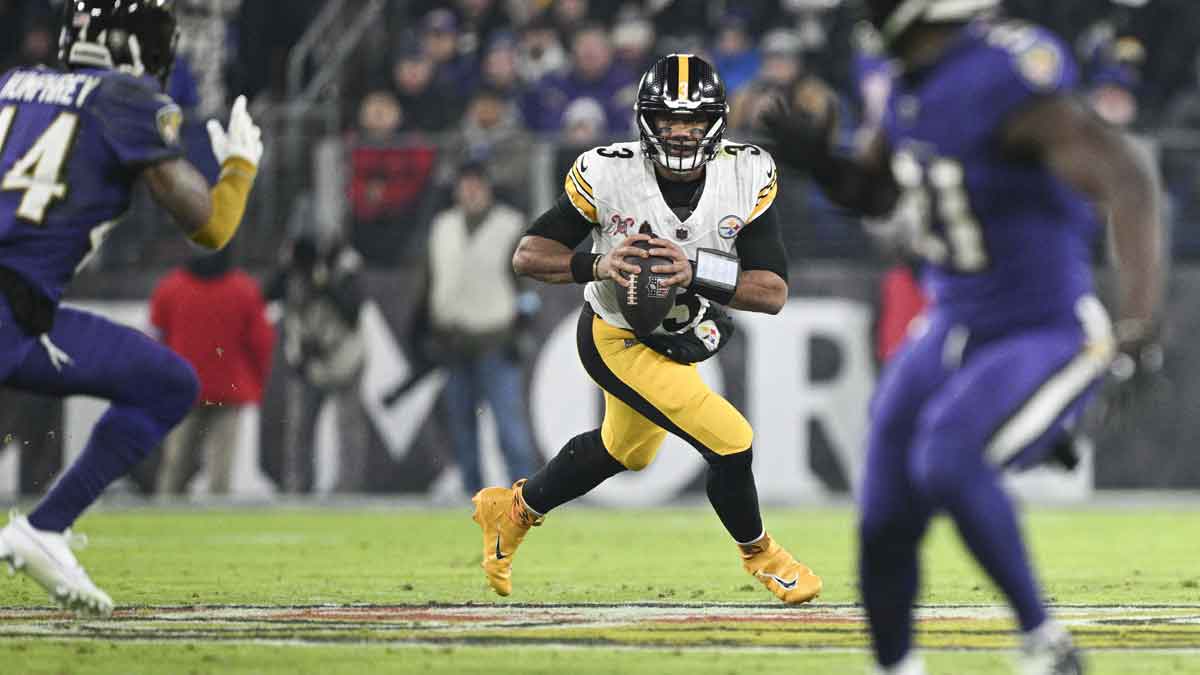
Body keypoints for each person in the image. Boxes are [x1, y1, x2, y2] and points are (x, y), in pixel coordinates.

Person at [762, 2, 1165, 673]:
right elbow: (879, 189)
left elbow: (1128, 175)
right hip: (953, 320)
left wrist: (1140, 325)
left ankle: (1047, 645)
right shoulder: (909, 79)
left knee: (948, 454)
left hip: (1043, 323)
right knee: (885, 504)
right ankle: (895, 666)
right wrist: (824, 166)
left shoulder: (997, 75)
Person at [472, 54, 821, 606]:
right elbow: (528, 254)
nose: (681, 134)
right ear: (644, 122)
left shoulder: (747, 172)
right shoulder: (611, 173)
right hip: (615, 335)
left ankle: (511, 510)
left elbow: (772, 290)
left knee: (624, 451)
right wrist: (599, 263)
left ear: (717, 124)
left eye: (693, 122)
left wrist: (695, 270)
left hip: (675, 334)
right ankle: (764, 556)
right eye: (668, 122)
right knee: (731, 441)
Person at [0, 0, 262, 616]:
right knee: (168, 384)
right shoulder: (121, 98)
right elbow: (211, 227)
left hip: (18, 311)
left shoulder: (11, 83)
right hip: (11, 313)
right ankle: (45, 526)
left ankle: (44, 530)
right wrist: (242, 169)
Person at [426, 163, 538, 496]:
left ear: (488, 188)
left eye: (476, 184)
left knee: (509, 425)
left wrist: (522, 329)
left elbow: (527, 285)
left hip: (496, 338)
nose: (471, 191)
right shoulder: (442, 225)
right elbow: (431, 278)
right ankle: (472, 497)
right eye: (465, 185)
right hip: (452, 339)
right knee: (461, 428)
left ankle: (526, 497)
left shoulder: (510, 224)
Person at [150, 249, 275, 496]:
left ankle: (162, 523)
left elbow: (154, 341)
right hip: (228, 391)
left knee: (175, 465)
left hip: (184, 390)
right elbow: (261, 343)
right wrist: (255, 384)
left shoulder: (170, 288)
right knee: (220, 474)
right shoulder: (244, 289)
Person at [266, 231, 369, 494]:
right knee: (299, 431)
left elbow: (353, 311)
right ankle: (297, 489)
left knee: (348, 429)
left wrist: (325, 282)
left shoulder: (345, 265)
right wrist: (287, 266)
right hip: (307, 360)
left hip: (343, 356)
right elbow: (268, 293)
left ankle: (349, 491)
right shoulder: (294, 268)